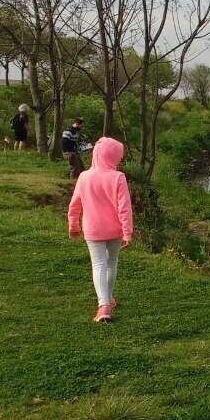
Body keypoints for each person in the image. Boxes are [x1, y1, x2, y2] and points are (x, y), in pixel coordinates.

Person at [67, 137, 133, 323]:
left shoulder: (84, 176)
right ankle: (108, 300)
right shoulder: (118, 177)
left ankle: (103, 305)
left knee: (98, 265)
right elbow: (124, 207)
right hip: (115, 229)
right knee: (112, 263)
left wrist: (74, 225)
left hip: (93, 229)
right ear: (113, 157)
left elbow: (74, 205)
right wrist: (127, 231)